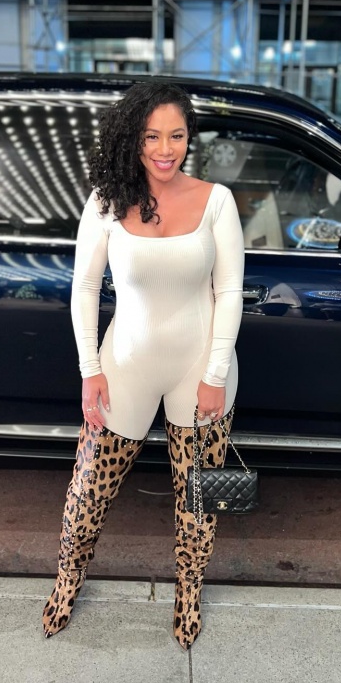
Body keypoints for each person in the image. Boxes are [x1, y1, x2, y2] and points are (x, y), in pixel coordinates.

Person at [42, 81, 244, 649]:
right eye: (152, 136)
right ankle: (67, 580)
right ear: (132, 138)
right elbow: (85, 288)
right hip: (125, 364)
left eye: (176, 135)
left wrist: (214, 376)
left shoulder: (217, 200)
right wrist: (89, 369)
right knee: (89, 489)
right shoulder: (105, 201)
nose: (165, 149)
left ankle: (189, 590)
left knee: (199, 498)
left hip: (201, 368)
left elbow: (229, 291)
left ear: (189, 138)